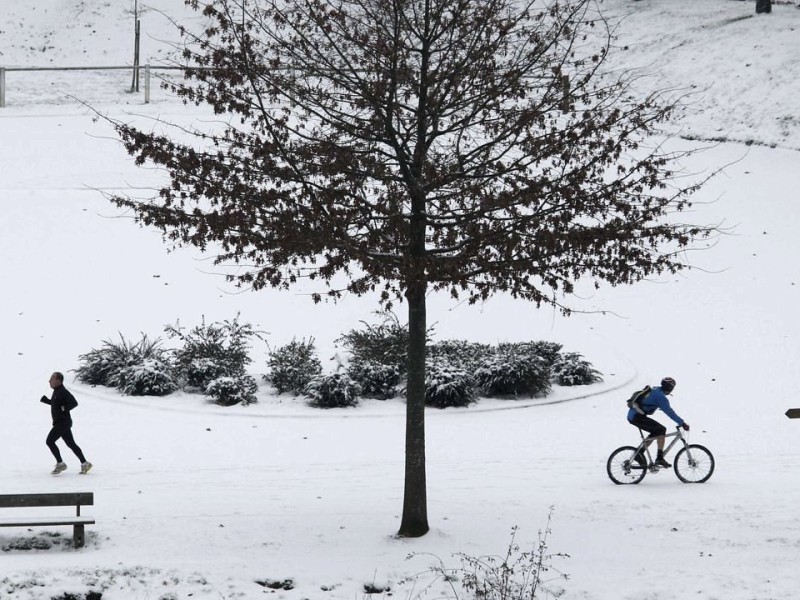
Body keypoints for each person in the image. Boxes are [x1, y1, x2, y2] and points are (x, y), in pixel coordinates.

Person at [627, 377, 689, 469]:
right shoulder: (660, 397)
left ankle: (640, 453)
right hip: (636, 417)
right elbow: (669, 412)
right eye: (672, 387)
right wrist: (682, 423)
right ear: (669, 388)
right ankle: (659, 458)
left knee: (657, 431)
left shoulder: (657, 390)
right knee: (661, 430)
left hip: (636, 416)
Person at [40, 372, 92, 475]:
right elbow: (57, 404)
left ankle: (60, 463)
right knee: (71, 444)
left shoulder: (63, 391)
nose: (49, 381)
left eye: (52, 379)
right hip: (63, 423)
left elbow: (74, 403)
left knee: (50, 441)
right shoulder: (57, 391)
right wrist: (47, 401)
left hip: (62, 422)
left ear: (58, 380)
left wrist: (65, 408)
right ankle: (85, 463)